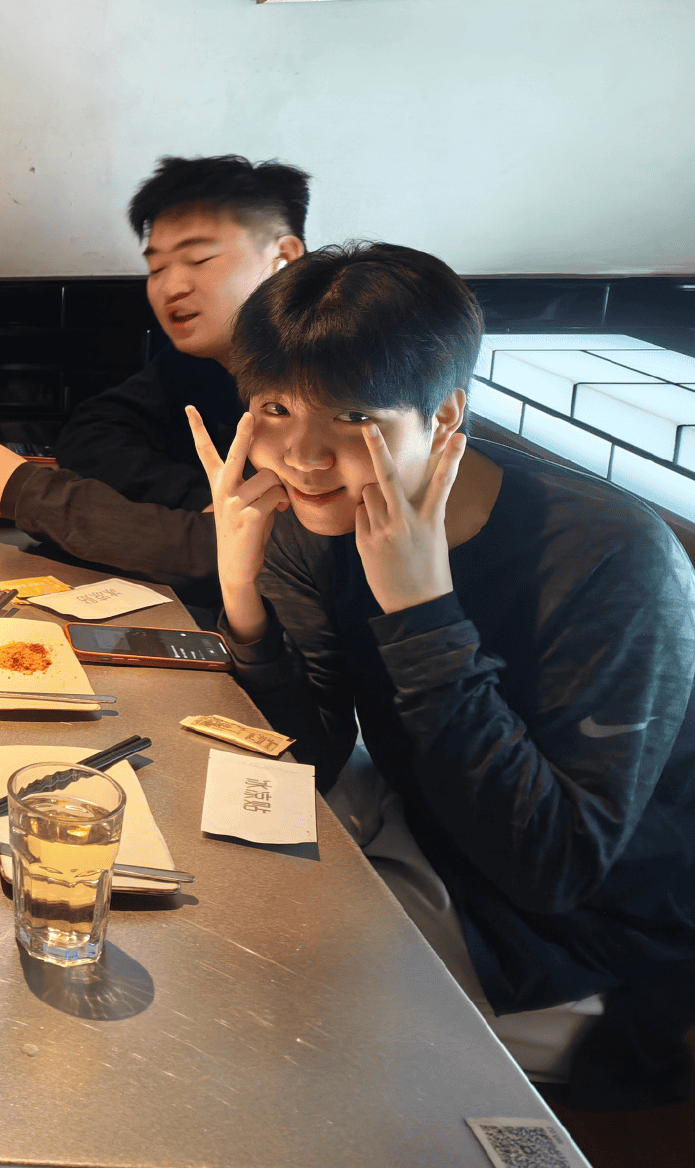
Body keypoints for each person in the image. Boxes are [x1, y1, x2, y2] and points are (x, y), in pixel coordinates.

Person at [190, 241, 695, 1109]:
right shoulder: (321, 520)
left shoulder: (613, 560)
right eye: (274, 407)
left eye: (353, 416)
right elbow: (308, 755)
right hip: (421, 821)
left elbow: (552, 869)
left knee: (244, 1014)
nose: (303, 455)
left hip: (573, 933)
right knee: (199, 893)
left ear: (445, 415)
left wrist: (420, 609)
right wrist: (243, 599)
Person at [0, 155, 307, 602]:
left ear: (283, 258)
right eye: (157, 268)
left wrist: (24, 491)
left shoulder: (323, 377)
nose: (171, 287)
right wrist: (207, 495)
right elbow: (91, 434)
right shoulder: (201, 360)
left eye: (198, 258)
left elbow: (233, 554)